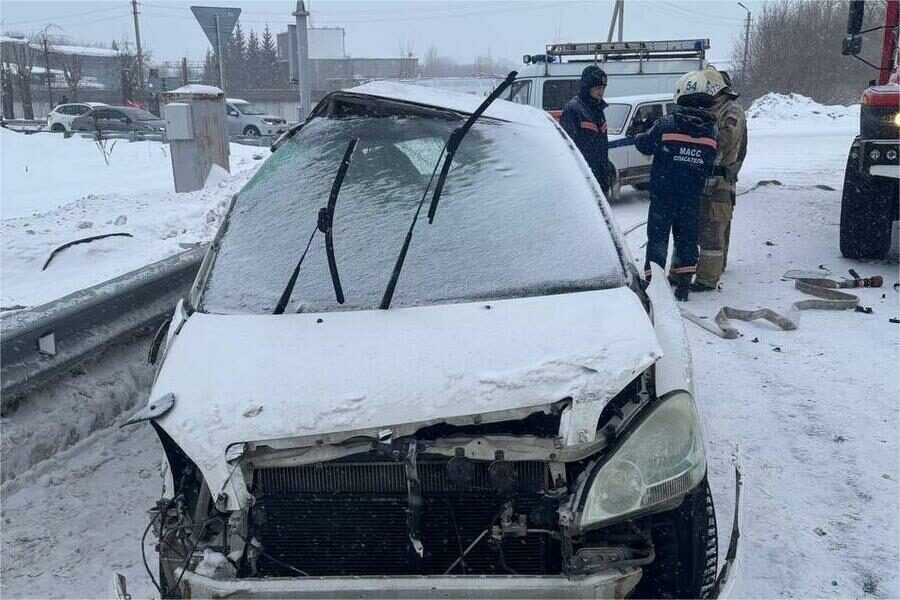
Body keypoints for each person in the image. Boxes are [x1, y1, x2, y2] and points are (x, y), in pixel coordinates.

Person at [633, 70, 719, 301]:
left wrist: (639, 132)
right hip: (691, 195)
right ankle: (683, 285)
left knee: (658, 239)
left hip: (664, 194)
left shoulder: (667, 123)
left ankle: (654, 285)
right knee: (687, 239)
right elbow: (710, 159)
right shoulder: (712, 129)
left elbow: (645, 145)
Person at [692, 68, 748, 292]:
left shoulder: (732, 110)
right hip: (704, 177)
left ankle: (707, 278)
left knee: (713, 229)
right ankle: (715, 266)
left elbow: (725, 141)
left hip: (719, 178)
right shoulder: (708, 108)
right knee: (707, 225)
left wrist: (699, 131)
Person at [560, 65, 610, 194]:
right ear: (587, 87)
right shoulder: (573, 110)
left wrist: (605, 172)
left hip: (599, 178)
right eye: (598, 88)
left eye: (603, 88)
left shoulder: (598, 109)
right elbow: (567, 148)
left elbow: (602, 145)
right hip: (583, 180)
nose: (601, 92)